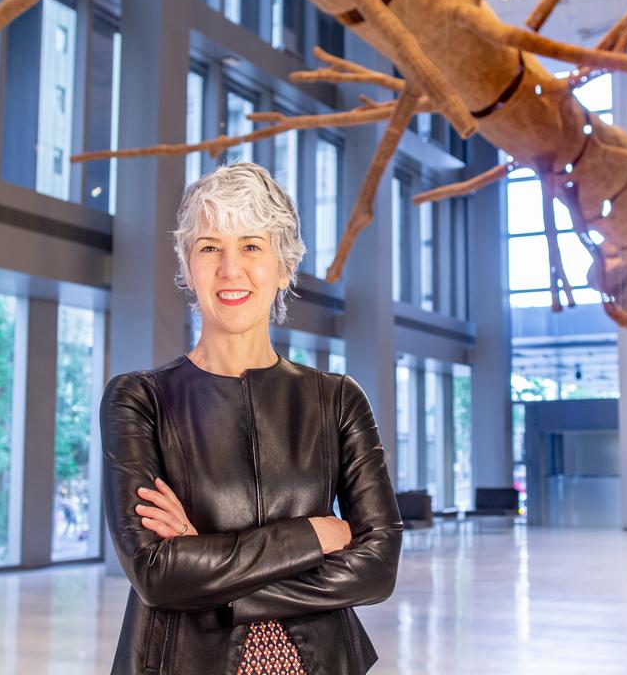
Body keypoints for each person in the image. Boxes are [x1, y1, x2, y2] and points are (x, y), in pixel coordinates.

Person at [99, 162, 403, 675]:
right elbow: (156, 573)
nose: (229, 270)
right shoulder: (139, 400)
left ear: (284, 266)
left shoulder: (337, 401)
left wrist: (207, 567)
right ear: (188, 265)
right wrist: (312, 536)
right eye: (210, 247)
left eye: (252, 246)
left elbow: (378, 566)